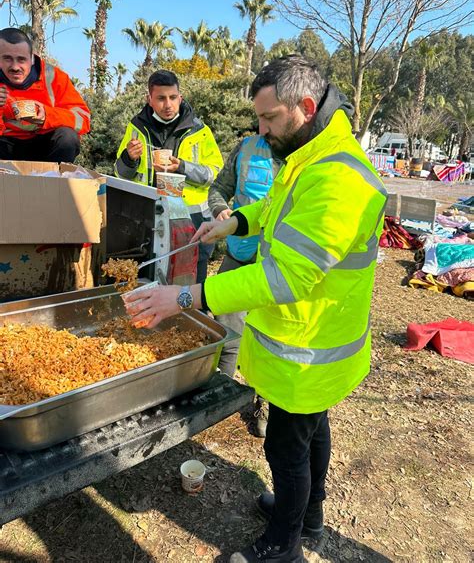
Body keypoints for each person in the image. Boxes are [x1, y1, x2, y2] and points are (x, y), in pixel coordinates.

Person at [123, 56, 388, 563]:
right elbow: (274, 209)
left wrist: (185, 297)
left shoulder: (340, 179)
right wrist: (236, 222)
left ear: (305, 107)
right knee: (311, 434)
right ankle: (306, 517)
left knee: (287, 451)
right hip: (312, 340)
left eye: (269, 119)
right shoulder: (313, 152)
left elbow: (286, 276)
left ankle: (282, 545)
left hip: (311, 347)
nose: (261, 132)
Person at [115, 69, 223, 283]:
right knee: (149, 278)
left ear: (180, 97)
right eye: (161, 98)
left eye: (173, 97)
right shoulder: (136, 127)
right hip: (148, 217)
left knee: (190, 285)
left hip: (192, 218)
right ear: (150, 99)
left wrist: (182, 167)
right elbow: (119, 173)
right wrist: (129, 158)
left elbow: (215, 174)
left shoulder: (200, 130)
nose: (168, 104)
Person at [208, 134, 282, 437]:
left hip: (275, 264)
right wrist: (220, 210)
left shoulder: (298, 156)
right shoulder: (246, 147)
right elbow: (218, 189)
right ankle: (220, 392)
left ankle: (265, 400)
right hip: (238, 254)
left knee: (271, 335)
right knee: (226, 326)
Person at [0, 27, 90, 162]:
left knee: (68, 137)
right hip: (5, 147)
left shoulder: (54, 77)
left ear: (31, 59)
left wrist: (47, 117)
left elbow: (83, 119)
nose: (15, 67)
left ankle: (55, 180)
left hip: (46, 147)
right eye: (7, 59)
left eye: (21, 59)